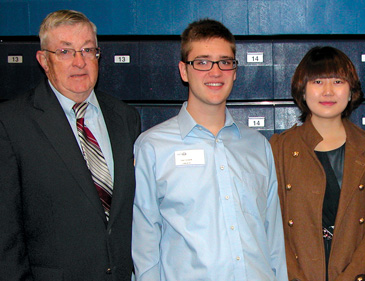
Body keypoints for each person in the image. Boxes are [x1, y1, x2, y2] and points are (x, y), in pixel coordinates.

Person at [131, 18, 288, 281]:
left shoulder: (258, 146)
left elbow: (273, 238)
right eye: (202, 62)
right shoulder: (153, 147)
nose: (215, 72)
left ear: (235, 71)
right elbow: (145, 244)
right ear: (184, 70)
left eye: (225, 62)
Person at [0, 10, 141, 281]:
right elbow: (5, 232)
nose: (79, 62)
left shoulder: (125, 117)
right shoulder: (11, 123)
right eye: (65, 52)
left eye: (88, 50)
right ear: (44, 60)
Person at [270, 46, 365, 281]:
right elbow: (272, 224)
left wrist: (350, 276)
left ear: (350, 91)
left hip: (358, 274)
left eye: (337, 81)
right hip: (299, 273)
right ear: (302, 91)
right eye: (317, 82)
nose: (328, 91)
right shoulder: (280, 148)